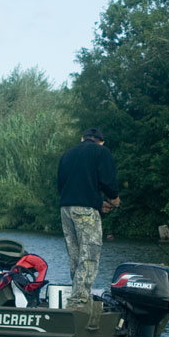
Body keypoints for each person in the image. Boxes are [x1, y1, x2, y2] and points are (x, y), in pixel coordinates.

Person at [57, 127, 120, 310]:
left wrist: (97, 203)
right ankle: (79, 302)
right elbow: (107, 181)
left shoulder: (67, 154)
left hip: (66, 209)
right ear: (101, 141)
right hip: (85, 211)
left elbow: (64, 185)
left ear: (82, 138)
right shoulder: (101, 151)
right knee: (89, 254)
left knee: (75, 255)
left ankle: (76, 298)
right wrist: (114, 199)